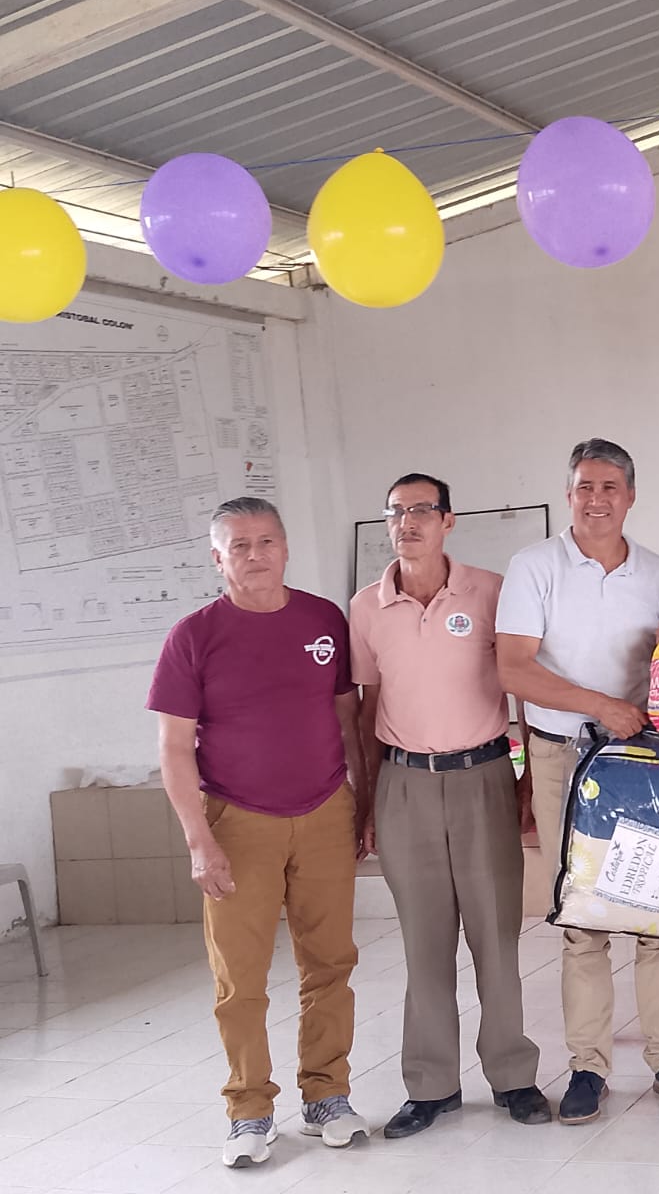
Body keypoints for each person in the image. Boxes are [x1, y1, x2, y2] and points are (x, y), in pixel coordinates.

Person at [495, 439, 659, 1124]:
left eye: (610, 487)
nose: (597, 499)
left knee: (658, 911)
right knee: (581, 917)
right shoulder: (533, 566)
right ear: (569, 494)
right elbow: (513, 668)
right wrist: (601, 707)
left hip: (643, 759)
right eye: (585, 487)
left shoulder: (658, 573)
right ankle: (587, 1066)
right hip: (563, 757)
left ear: (631, 496)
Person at [148, 497, 369, 1169]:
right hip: (237, 821)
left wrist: (363, 804)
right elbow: (174, 749)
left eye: (266, 541)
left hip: (325, 812)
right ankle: (248, 1109)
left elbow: (349, 721)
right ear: (218, 559)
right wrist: (199, 840)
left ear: (285, 547)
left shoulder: (323, 620)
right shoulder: (194, 636)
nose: (254, 555)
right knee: (239, 977)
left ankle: (327, 1095)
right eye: (238, 546)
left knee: (330, 964)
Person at [349, 473, 547, 1138]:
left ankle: (514, 1076)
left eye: (422, 510)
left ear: (448, 520)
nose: (407, 523)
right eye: (396, 512)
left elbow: (521, 689)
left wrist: (525, 779)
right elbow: (367, 711)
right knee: (423, 943)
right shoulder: (366, 607)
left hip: (483, 775)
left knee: (496, 936)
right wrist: (367, 800)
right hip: (404, 783)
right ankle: (431, 1085)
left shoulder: (491, 591)